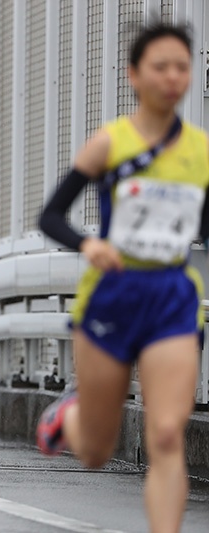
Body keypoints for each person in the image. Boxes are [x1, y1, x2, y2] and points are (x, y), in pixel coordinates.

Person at [36, 23, 209, 532]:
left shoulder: (200, 152)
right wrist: (89, 244)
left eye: (182, 66)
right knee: (95, 449)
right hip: (112, 297)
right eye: (161, 66)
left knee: (165, 434)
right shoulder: (110, 143)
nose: (172, 77)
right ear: (134, 75)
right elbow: (51, 216)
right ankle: (68, 417)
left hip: (172, 298)